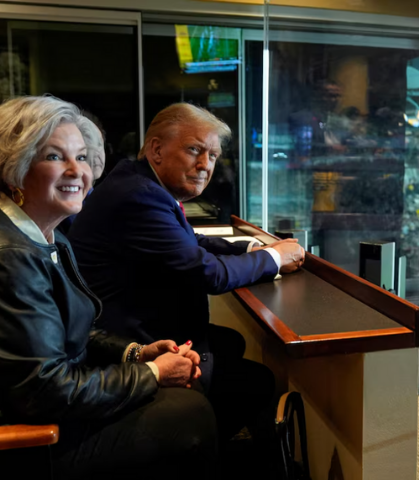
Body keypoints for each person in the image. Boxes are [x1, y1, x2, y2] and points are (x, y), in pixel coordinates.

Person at [0, 96, 216, 479]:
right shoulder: (4, 256)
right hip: (7, 440)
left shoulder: (43, 232)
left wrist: (135, 353)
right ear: (13, 168)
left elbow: (67, 331)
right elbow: (46, 392)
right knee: (189, 414)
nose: (78, 171)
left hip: (27, 411)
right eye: (56, 157)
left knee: (186, 399)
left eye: (83, 157)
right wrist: (154, 373)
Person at [68, 103, 304, 456]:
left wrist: (254, 246)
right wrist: (273, 257)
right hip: (125, 341)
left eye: (213, 155)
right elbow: (206, 273)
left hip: (129, 322)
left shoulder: (139, 182)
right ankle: (187, 450)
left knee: (229, 344)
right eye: (195, 150)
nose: (206, 165)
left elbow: (189, 241)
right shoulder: (139, 195)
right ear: (157, 149)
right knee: (257, 382)